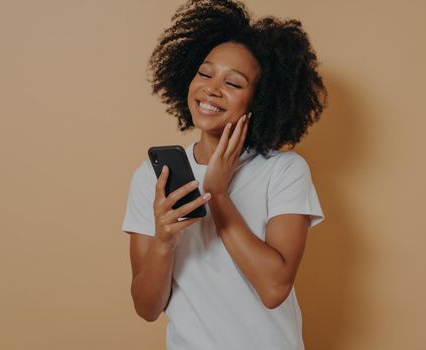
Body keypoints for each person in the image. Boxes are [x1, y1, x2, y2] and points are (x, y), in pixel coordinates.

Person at [121, 0, 327, 349]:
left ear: (259, 101)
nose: (211, 89)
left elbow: (274, 289)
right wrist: (164, 243)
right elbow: (146, 308)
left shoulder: (284, 171)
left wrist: (217, 195)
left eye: (233, 83)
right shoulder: (153, 178)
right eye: (204, 73)